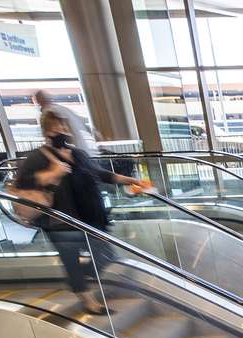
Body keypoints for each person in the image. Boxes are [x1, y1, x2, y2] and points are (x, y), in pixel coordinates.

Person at [13, 109, 147, 314]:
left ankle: (76, 278)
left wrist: (130, 180)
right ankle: (87, 300)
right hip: (61, 221)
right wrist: (51, 174)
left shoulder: (78, 154)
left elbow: (100, 173)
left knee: (105, 256)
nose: (62, 131)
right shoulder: (38, 157)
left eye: (64, 127)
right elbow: (20, 184)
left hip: (90, 217)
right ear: (46, 132)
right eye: (56, 128)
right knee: (70, 258)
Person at [33, 89, 96, 154]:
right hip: (82, 149)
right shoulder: (63, 109)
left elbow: (51, 136)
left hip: (71, 151)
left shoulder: (49, 113)